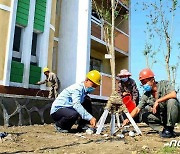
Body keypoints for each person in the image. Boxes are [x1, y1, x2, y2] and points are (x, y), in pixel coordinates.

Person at [123, 68, 180, 138]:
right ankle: (163, 130)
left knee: (172, 101)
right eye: (142, 83)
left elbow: (173, 94)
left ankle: (169, 128)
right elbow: (137, 109)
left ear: (152, 80)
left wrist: (158, 101)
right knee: (144, 116)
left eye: (145, 82)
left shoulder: (164, 84)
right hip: (162, 117)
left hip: (175, 115)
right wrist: (128, 119)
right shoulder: (146, 95)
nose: (143, 85)